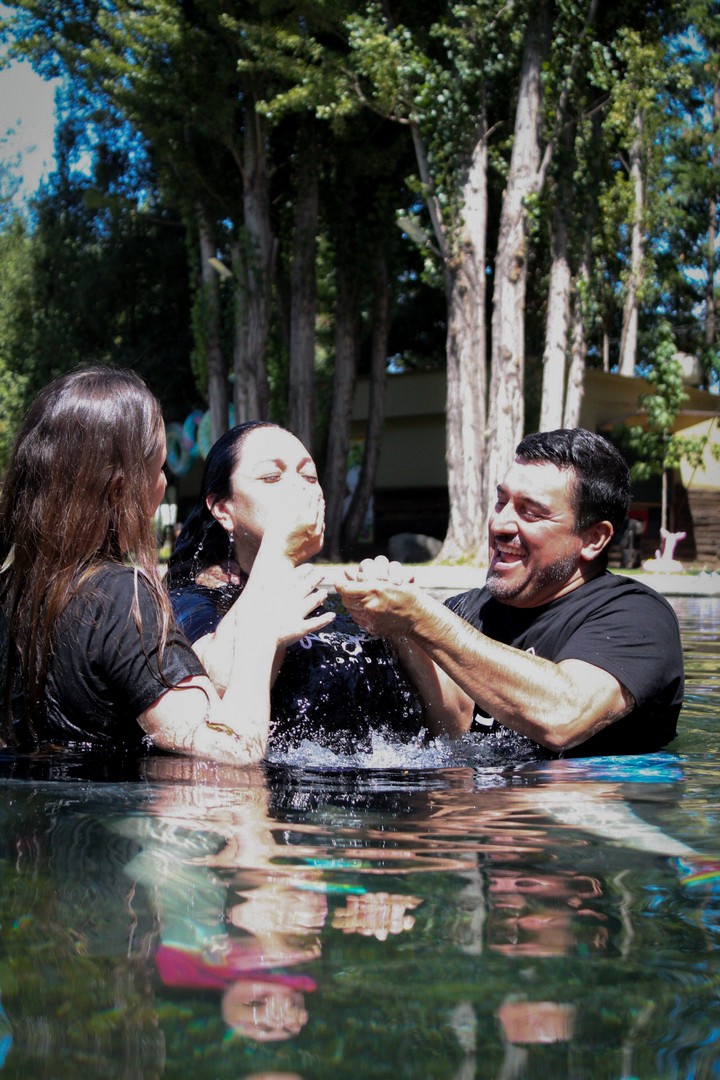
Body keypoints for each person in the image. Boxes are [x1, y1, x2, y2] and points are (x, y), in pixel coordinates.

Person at [0, 367, 332, 764]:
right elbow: (232, 750)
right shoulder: (119, 596)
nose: (163, 482)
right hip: (112, 805)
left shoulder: (11, 589)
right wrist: (264, 628)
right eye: (159, 469)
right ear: (121, 491)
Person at [337, 428, 684, 758]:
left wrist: (421, 617)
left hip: (590, 795)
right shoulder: (468, 610)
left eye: (530, 513)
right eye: (501, 502)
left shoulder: (638, 618)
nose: (500, 525)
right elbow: (454, 727)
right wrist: (400, 629)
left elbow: (564, 716)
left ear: (594, 539)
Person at [167, 421, 424, 752]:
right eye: (272, 477)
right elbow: (215, 698)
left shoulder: (341, 604)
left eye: (310, 477)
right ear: (223, 509)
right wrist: (281, 551)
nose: (299, 489)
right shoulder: (191, 603)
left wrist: (408, 625)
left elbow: (453, 726)